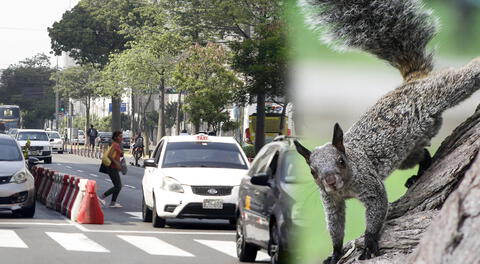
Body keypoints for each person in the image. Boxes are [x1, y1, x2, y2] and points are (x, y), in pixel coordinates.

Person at [98, 131, 124, 208]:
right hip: (112, 167)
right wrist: (116, 163)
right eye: (120, 136)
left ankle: (113, 202)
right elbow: (109, 155)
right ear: (115, 137)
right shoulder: (115, 145)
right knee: (118, 186)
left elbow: (117, 154)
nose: (121, 138)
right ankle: (102, 197)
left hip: (114, 167)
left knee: (118, 185)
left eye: (121, 136)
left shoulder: (116, 144)